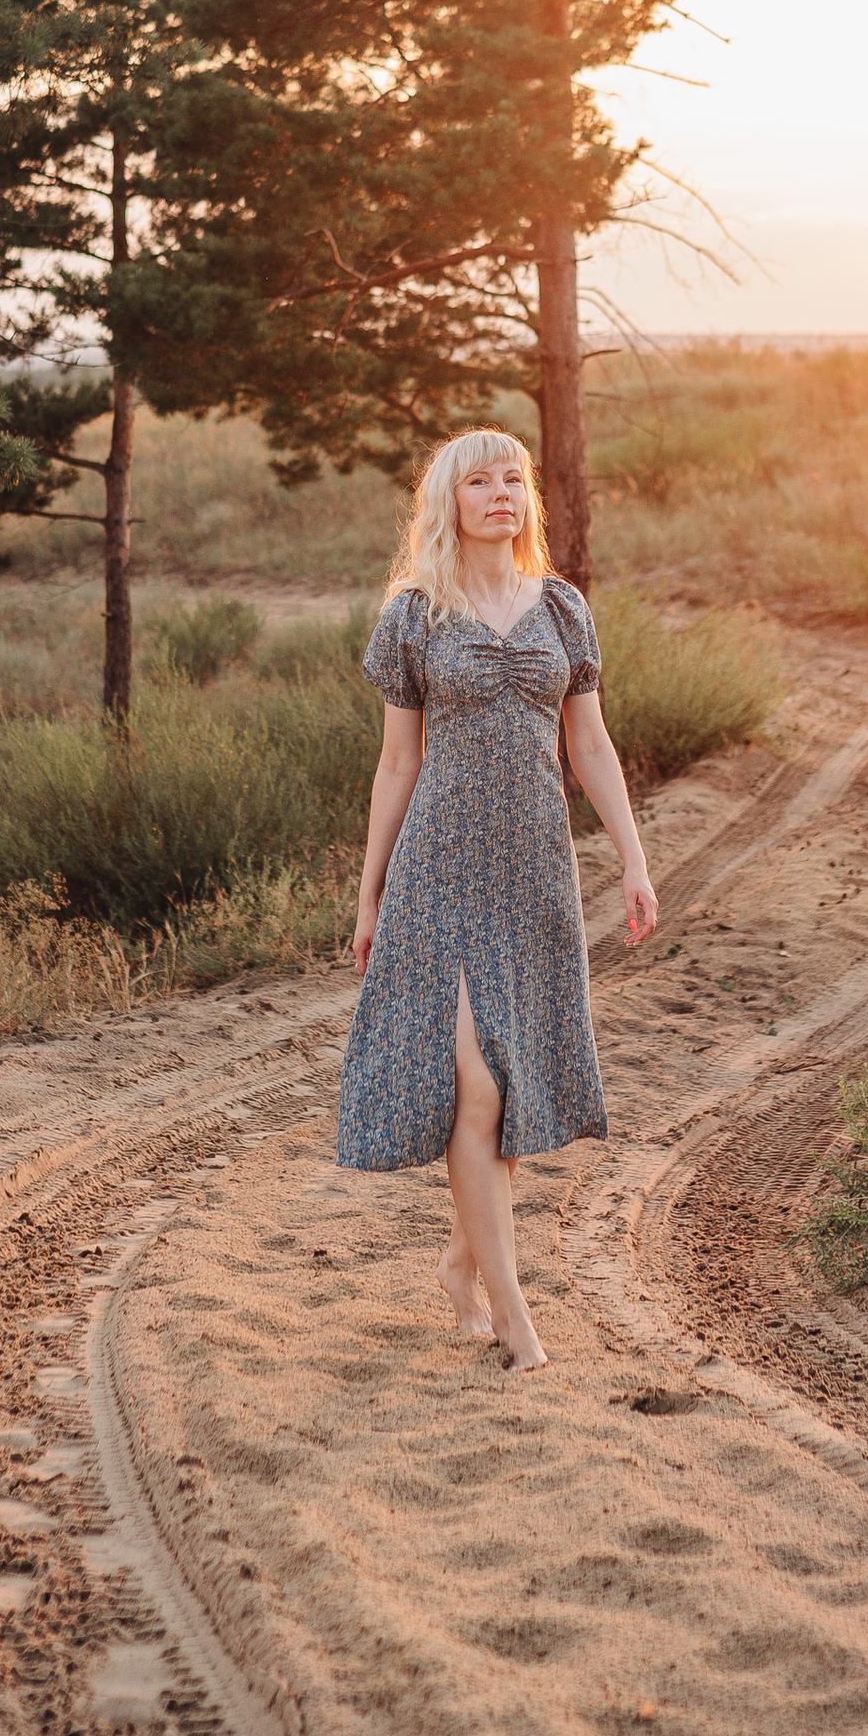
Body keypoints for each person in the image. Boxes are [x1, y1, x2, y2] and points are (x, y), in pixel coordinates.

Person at [337, 427, 659, 1373]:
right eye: (478, 481)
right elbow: (397, 762)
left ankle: (460, 1261)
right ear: (449, 502)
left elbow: (590, 748)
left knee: (509, 1084)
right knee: (474, 1084)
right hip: (439, 868)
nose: (501, 492)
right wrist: (371, 893)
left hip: (535, 870)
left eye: (512, 478)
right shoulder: (414, 616)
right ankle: (517, 1323)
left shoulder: (561, 609)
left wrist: (634, 861)